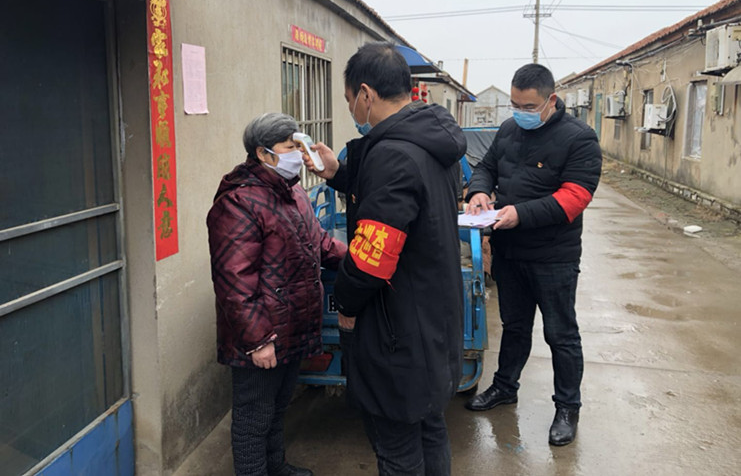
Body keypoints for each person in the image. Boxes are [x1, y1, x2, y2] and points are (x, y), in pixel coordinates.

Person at [305, 42, 467, 475]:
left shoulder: (392, 154)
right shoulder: (430, 140)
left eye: (348, 100)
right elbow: (398, 198)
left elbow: (372, 259)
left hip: (399, 328)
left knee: (397, 448)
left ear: (365, 94)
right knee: (429, 427)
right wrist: (338, 174)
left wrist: (346, 302)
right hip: (433, 317)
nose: (351, 110)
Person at [462, 63, 602, 446]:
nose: (520, 112)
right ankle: (504, 386)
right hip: (510, 252)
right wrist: (479, 191)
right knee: (514, 326)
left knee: (561, 334)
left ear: (550, 100)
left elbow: (574, 198)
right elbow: (486, 167)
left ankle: (568, 407)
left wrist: (519, 214)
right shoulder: (509, 130)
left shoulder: (579, 138)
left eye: (528, 106)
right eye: (515, 104)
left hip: (553, 256)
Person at [206, 112, 347, 476]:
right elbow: (235, 281)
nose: (299, 155)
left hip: (291, 325)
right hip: (262, 335)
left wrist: (358, 260)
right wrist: (258, 341)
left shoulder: (293, 192)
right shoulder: (238, 202)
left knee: (279, 406)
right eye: (290, 147)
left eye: (299, 146)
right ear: (263, 153)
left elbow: (318, 243)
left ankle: (276, 466)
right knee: (253, 417)